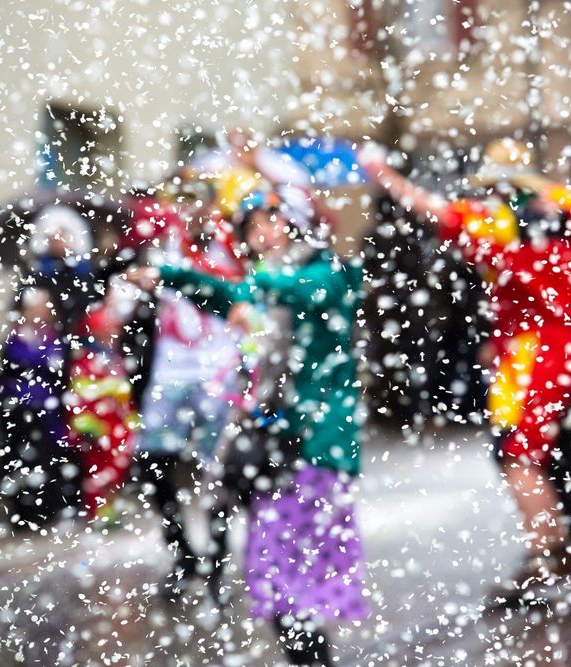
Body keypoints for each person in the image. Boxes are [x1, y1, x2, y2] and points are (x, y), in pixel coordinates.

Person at [359, 139, 571, 600]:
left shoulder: (498, 222)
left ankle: (550, 556)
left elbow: (434, 210)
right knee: (559, 455)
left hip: (539, 355)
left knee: (518, 454)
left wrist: (384, 174)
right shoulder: (569, 207)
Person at [128, 185, 369, 666]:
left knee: (299, 578)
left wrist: (251, 295)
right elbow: (220, 291)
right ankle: (306, 655)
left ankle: (313, 659)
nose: (262, 234)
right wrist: (165, 275)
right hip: (273, 445)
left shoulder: (329, 273)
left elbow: (305, 293)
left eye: (271, 221)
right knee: (276, 576)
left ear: (296, 222)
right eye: (251, 227)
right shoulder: (265, 285)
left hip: (317, 444)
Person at [128, 182, 244, 603]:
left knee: (219, 471)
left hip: (219, 370)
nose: (187, 209)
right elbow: (131, 297)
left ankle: (215, 560)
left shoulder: (232, 241)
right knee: (152, 463)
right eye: (180, 201)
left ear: (212, 204)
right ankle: (182, 553)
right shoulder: (159, 245)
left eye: (196, 201)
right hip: (172, 371)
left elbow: (247, 294)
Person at [0, 287, 77, 529]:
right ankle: (24, 512)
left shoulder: (55, 338)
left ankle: (51, 507)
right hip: (19, 412)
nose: (40, 311)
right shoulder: (14, 338)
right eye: (35, 306)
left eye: (44, 306)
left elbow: (63, 373)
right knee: (20, 459)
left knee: (49, 458)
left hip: (49, 411)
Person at [65, 303, 134, 522]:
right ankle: (97, 513)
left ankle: (110, 510)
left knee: (117, 469)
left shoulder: (115, 358)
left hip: (117, 426)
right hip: (98, 426)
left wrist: (131, 419)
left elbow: (124, 395)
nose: (114, 332)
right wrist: (85, 423)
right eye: (109, 327)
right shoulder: (85, 360)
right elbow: (80, 394)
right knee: (97, 471)